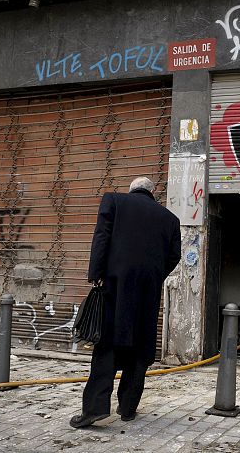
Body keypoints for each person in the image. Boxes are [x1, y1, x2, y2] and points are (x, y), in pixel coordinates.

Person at [70, 176, 182, 428]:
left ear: (131, 190)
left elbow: (101, 237)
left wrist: (96, 275)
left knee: (107, 346)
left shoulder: (114, 200)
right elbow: (174, 256)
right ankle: (128, 408)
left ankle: (95, 409)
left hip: (115, 286)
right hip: (147, 293)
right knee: (140, 348)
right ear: (153, 192)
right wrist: (154, 276)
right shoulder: (170, 219)